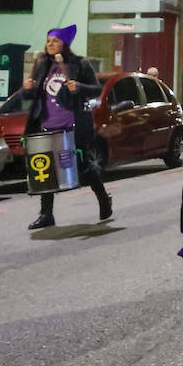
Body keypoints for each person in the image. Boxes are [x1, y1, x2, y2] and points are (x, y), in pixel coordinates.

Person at [21, 24, 112, 229]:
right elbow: (33, 96)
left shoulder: (79, 64)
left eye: (55, 41)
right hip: (46, 124)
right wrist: (28, 89)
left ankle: (104, 198)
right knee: (45, 168)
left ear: (65, 44)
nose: (50, 44)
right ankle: (46, 214)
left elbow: (96, 90)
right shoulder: (42, 64)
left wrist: (79, 87)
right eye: (48, 41)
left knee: (83, 167)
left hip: (72, 125)